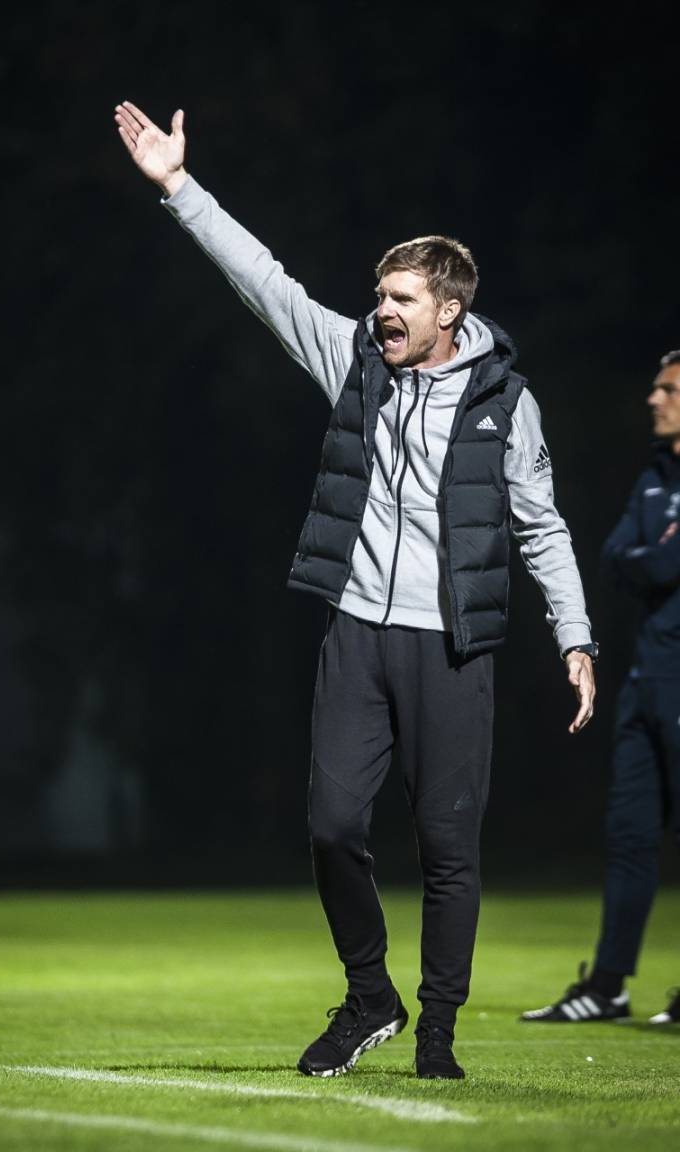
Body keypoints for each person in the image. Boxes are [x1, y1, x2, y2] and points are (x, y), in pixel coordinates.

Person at [114, 102, 597, 1079]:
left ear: (449, 311)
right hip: (356, 638)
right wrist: (178, 187)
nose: (382, 310)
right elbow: (265, 282)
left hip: (451, 649)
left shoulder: (506, 403)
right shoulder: (352, 361)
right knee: (332, 828)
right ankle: (370, 995)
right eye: (379, 294)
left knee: (448, 850)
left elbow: (542, 526)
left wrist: (576, 638)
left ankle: (439, 1035)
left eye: (402, 298)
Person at [521, 350, 680, 1027]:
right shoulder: (655, 477)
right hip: (647, 677)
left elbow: (659, 562)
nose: (653, 399)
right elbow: (618, 557)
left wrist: (655, 557)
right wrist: (657, 556)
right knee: (630, 834)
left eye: (668, 389)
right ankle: (608, 986)